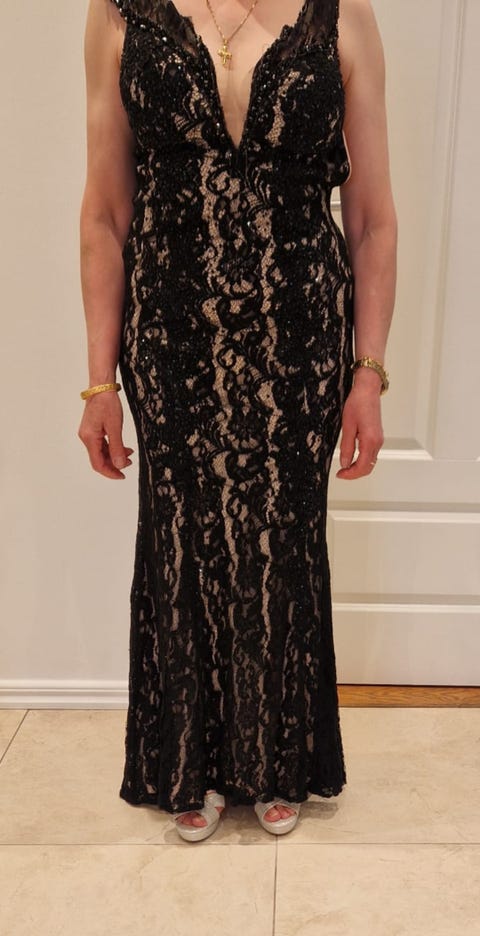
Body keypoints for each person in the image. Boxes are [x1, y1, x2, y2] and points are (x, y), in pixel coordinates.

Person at [78, 0, 397, 842]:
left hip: (301, 332)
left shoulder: (343, 16)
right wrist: (98, 382)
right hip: (170, 331)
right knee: (182, 536)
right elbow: (105, 211)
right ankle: (191, 761)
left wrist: (367, 372)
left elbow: (372, 219)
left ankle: (277, 760)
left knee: (283, 538)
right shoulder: (120, 15)